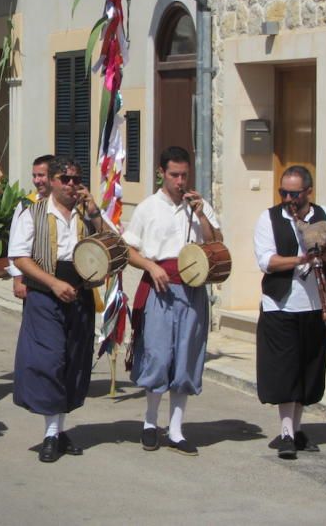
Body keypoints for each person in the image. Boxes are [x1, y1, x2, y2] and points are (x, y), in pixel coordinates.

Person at [253, 165, 326, 459]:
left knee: (307, 371)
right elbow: (267, 261)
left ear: (308, 191)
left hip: (317, 306)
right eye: (284, 192)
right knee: (285, 372)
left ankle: (297, 430)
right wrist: (301, 258)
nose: (288, 198)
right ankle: (286, 432)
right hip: (281, 305)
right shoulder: (269, 218)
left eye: (294, 193)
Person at [9, 157, 110, 462]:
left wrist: (94, 213)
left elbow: (110, 243)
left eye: (75, 180)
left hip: (79, 294)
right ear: (52, 181)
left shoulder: (86, 215)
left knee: (74, 362)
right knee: (49, 359)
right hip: (45, 295)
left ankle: (59, 429)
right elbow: (20, 257)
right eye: (64, 179)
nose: (70, 185)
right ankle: (50, 434)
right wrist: (52, 284)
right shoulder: (32, 212)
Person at [123, 146, 222, 457]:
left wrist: (201, 213)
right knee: (157, 354)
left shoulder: (198, 206)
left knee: (186, 356)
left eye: (184, 175)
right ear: (162, 174)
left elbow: (216, 242)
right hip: (160, 287)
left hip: (192, 288)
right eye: (174, 175)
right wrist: (151, 267)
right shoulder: (148, 207)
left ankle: (177, 429)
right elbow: (130, 250)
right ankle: (150, 423)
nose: (180, 181)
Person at [7, 154, 54, 300]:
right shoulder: (27, 205)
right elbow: (15, 244)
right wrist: (17, 278)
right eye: (34, 176)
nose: (36, 180)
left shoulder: (67, 203)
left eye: (41, 175)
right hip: (34, 280)